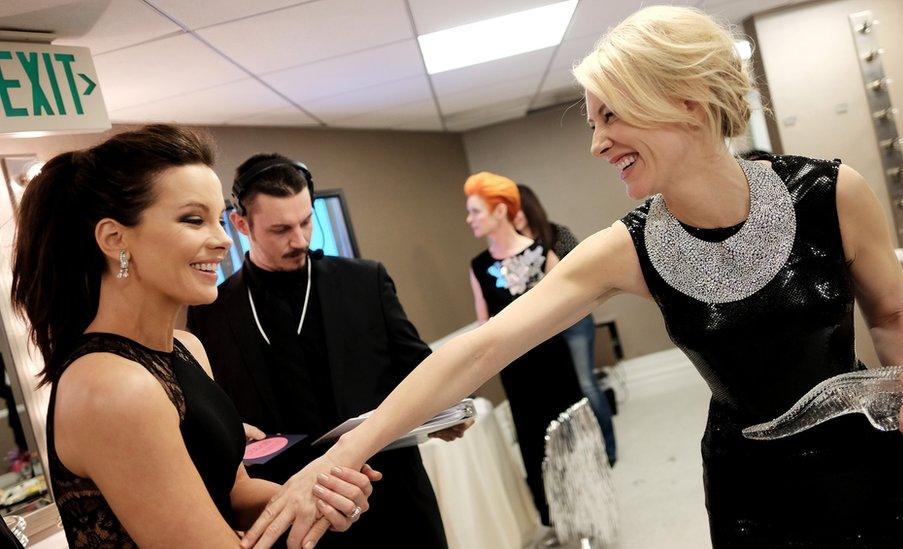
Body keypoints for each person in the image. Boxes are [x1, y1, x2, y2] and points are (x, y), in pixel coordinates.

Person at [246, 6, 903, 549]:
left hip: (877, 470)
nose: (595, 143)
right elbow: (476, 352)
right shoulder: (624, 249)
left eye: (610, 116)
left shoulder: (833, 194)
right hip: (754, 486)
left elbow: (893, 313)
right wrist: (342, 453)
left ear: (685, 101)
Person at [10, 125, 377, 548]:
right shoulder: (112, 386)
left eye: (219, 219)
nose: (222, 240)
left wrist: (312, 497)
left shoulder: (187, 348)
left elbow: (233, 492)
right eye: (193, 220)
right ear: (115, 239)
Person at [187, 153, 457, 549]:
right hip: (292, 512)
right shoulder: (210, 313)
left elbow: (418, 368)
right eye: (281, 229)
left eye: (306, 221)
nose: (300, 240)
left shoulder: (365, 282)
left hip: (392, 497)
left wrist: (445, 410)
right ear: (242, 224)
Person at [464, 172, 583, 535]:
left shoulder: (541, 253)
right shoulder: (478, 267)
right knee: (531, 441)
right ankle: (552, 519)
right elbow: (484, 323)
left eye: (475, 211)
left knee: (568, 433)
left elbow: (570, 309)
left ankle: (583, 511)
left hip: (553, 361)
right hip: (515, 369)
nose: (469, 219)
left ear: (499, 211)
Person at [514, 184, 617, 465]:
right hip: (542, 331)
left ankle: (608, 449)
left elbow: (586, 272)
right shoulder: (511, 250)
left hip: (574, 322)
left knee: (586, 384)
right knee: (560, 392)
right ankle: (576, 453)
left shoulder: (557, 235)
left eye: (517, 208)